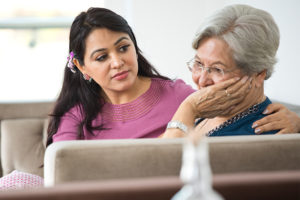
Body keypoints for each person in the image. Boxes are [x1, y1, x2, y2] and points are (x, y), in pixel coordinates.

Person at [46, 7, 255, 145]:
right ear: (81, 66)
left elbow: (236, 114)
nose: (118, 62)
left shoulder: (177, 94)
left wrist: (287, 119)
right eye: (101, 57)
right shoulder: (76, 114)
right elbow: (61, 170)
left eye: (123, 48)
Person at [162, 4, 300, 138]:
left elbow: (163, 159)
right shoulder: (209, 109)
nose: (202, 80)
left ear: (258, 73)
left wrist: (188, 108)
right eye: (198, 63)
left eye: (217, 69)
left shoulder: (260, 134)